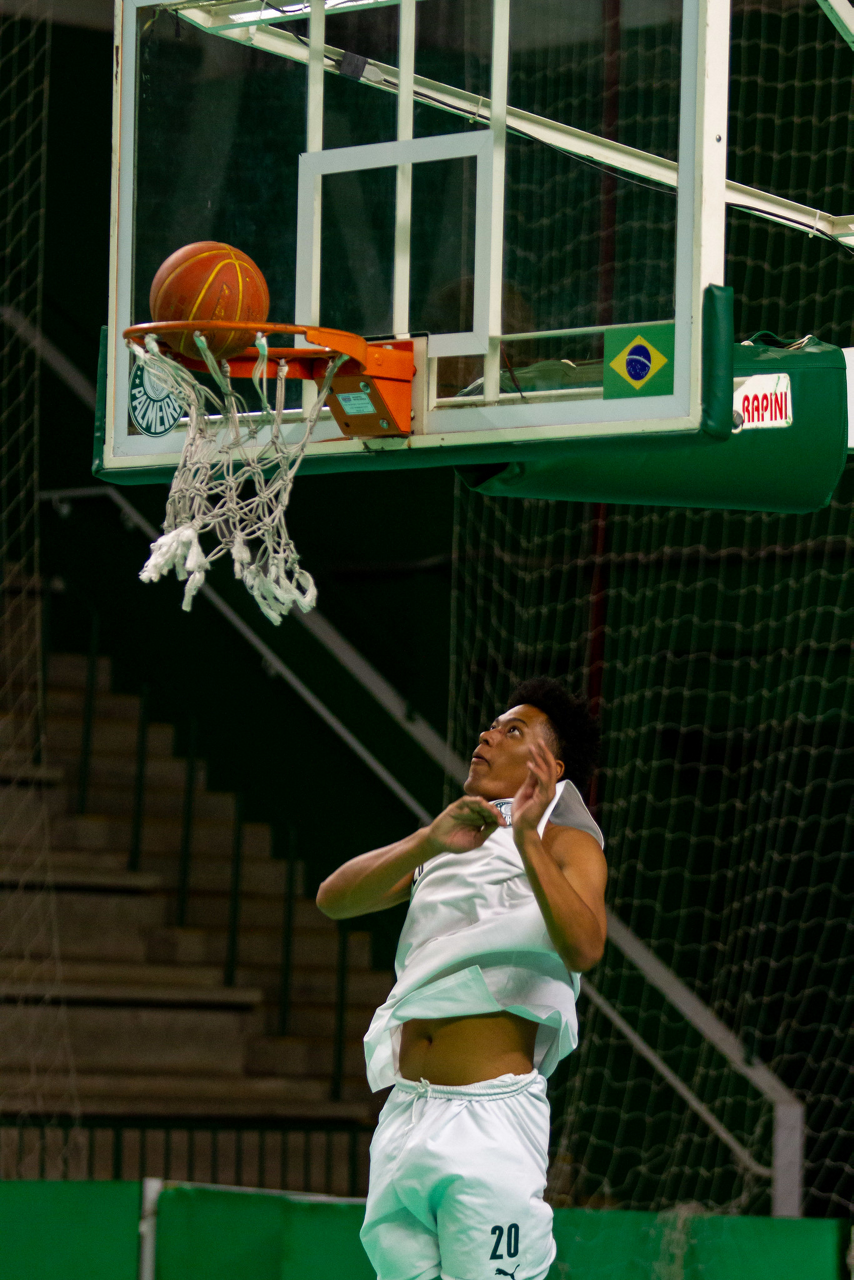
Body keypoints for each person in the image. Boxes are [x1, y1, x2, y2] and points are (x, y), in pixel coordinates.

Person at [316, 677, 607, 1280]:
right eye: (492, 726)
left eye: (513, 730)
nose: (487, 735)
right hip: (405, 1115)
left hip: (489, 1123)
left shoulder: (566, 842)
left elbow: (584, 946)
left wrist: (526, 839)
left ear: (551, 767)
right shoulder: (449, 841)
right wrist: (427, 840)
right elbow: (334, 898)